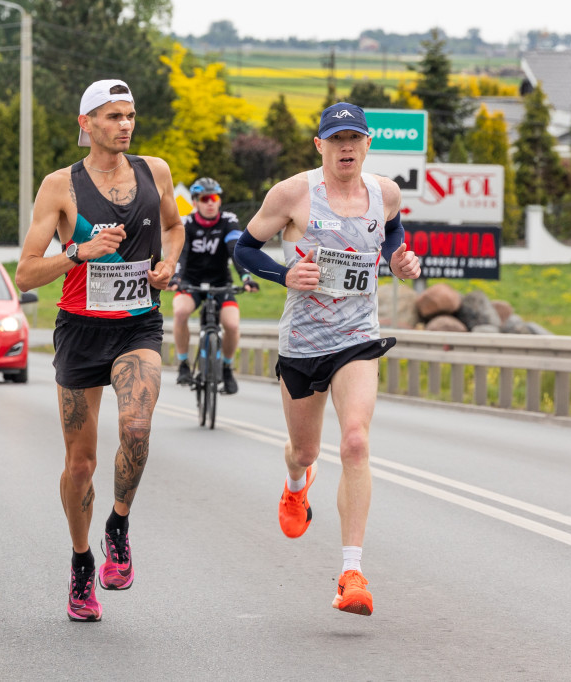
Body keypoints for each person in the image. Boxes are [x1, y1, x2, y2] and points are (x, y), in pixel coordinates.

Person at [233, 102, 421, 616]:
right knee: (305, 451)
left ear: (366, 144)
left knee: (356, 442)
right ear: (320, 146)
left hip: (358, 334)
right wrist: (283, 274)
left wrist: (399, 260)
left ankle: (351, 573)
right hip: (304, 340)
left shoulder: (385, 193)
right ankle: (296, 486)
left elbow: (393, 233)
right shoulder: (294, 193)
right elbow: (244, 249)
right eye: (335, 139)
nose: (345, 148)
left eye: (354, 139)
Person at [14, 79, 184, 623]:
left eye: (131, 115)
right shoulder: (60, 186)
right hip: (81, 331)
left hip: (137, 324)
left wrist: (167, 265)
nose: (126, 125)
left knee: (136, 427)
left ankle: (118, 524)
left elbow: (174, 228)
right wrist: (78, 252)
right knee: (80, 464)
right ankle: (82, 562)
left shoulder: (154, 171)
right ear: (86, 123)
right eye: (114, 117)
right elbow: (25, 273)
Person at [169, 176, 258, 394]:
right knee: (180, 312)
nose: (210, 202)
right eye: (205, 198)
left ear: (219, 201)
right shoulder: (186, 223)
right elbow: (181, 254)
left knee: (232, 325)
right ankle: (183, 364)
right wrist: (176, 278)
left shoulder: (229, 220)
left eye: (214, 197)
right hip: (191, 282)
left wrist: (246, 277)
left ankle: (227, 368)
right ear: (196, 202)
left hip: (221, 283)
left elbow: (235, 250)